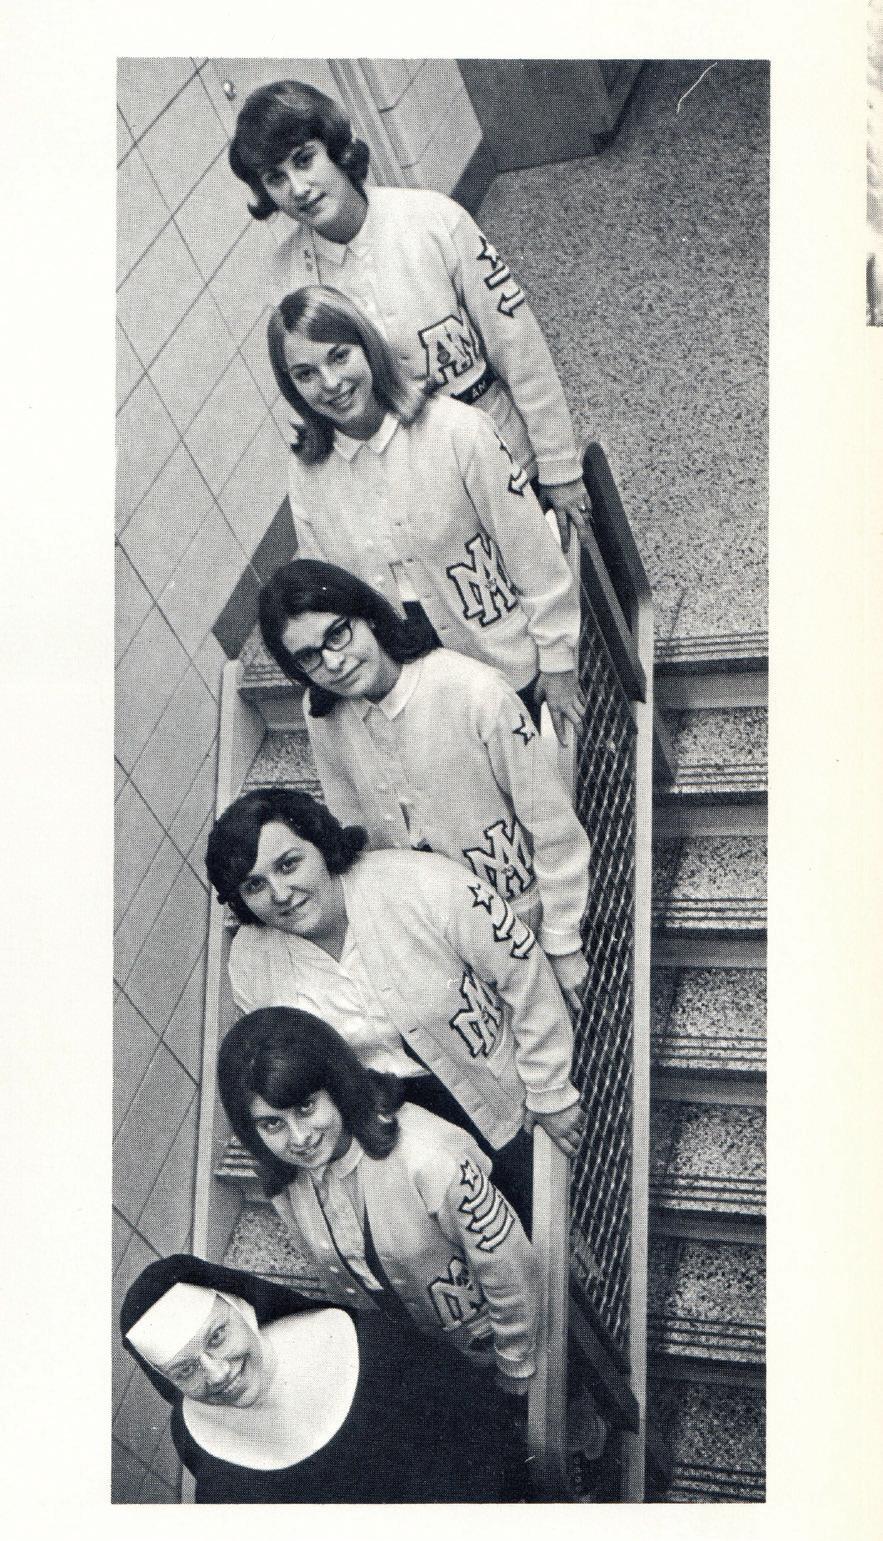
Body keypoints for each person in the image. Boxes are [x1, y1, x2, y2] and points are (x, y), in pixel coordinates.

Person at [229, 78, 592, 551]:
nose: (298, 189)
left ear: (334, 148)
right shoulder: (287, 280)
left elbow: (520, 348)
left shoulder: (433, 220)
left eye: (304, 159)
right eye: (276, 179)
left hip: (508, 460)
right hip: (418, 502)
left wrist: (560, 468)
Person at [204, 787, 588, 1226]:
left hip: (498, 1092)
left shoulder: (417, 883)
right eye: (254, 885)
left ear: (320, 843)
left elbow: (523, 972)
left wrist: (550, 1089)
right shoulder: (250, 961)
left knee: (550, 1220)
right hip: (387, 1127)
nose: (280, 893)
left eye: (289, 864)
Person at [258, 558, 590, 1009]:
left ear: (368, 616)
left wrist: (563, 939)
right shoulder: (323, 715)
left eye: (337, 634)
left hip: (518, 910)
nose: (333, 662)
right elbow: (350, 822)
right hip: (427, 926)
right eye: (309, 658)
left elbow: (553, 826)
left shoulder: (475, 692)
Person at [265, 283, 583, 739]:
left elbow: (532, 553)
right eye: (306, 374)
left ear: (367, 346)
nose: (330, 383)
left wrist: (558, 661)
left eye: (339, 356)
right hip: (412, 684)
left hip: (505, 660)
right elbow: (329, 594)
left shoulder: (458, 430)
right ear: (291, 387)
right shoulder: (306, 472)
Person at [217, 1006, 539, 1393]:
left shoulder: (429, 1157)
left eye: (306, 1107)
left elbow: (509, 1265)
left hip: (496, 1342)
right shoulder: (287, 1177)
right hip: (420, 1350)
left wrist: (516, 1362)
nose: (299, 1138)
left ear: (335, 1083)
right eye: (273, 1123)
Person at [120, 1252, 533, 1502]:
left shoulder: (369, 1345)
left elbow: (482, 1436)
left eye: (217, 1337)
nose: (218, 1373)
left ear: (243, 1308)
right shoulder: (191, 1435)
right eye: (185, 1370)